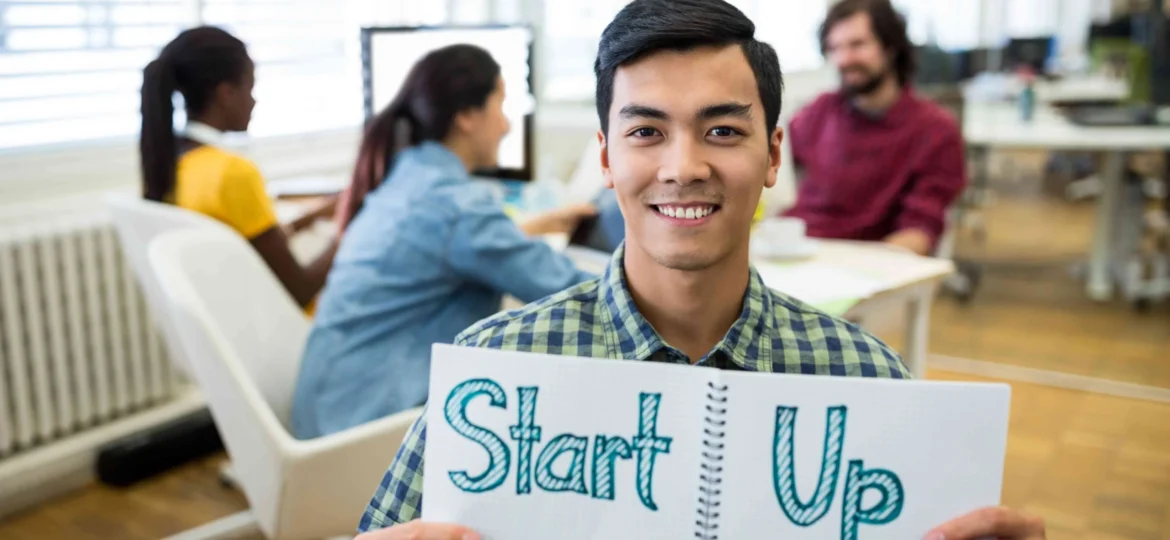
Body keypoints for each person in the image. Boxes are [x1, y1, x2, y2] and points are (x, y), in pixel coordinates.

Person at [353, 1, 1045, 539]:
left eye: (722, 130)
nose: (683, 168)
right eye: (646, 132)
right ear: (605, 158)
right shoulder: (494, 376)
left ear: (774, 155)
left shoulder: (865, 379)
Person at [289, 44, 597, 440]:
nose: (505, 125)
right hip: (366, 431)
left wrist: (536, 226)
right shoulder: (456, 207)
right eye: (500, 105)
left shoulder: (408, 180)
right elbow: (570, 290)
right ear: (467, 116)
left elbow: (441, 248)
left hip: (326, 410)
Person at [139, 26, 338, 311]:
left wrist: (309, 218)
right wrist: (350, 229)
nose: (254, 100)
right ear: (226, 93)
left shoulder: (173, 164)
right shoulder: (232, 172)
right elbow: (302, 289)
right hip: (293, 331)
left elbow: (248, 246)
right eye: (250, 87)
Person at [779, 0, 966, 256]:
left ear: (890, 46)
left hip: (862, 267)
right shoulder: (822, 110)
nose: (844, 59)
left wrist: (852, 271)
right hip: (794, 252)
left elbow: (920, 232)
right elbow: (769, 157)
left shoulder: (934, 130)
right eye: (835, 48)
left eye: (857, 45)